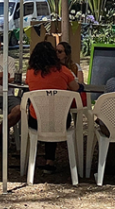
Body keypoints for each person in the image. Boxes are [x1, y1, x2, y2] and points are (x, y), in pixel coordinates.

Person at [10, 41, 80, 174]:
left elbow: (28, 85)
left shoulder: (30, 73)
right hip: (61, 121)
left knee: (44, 115)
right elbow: (75, 88)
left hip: (36, 121)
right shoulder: (64, 71)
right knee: (53, 116)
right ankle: (50, 160)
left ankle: (33, 155)